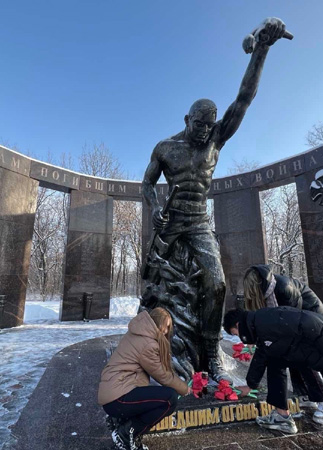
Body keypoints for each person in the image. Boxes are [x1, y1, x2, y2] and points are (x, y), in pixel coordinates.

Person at [141, 18, 289, 382]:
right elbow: (145, 184)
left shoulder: (215, 140)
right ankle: (153, 341)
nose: (204, 131)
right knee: (151, 280)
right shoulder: (165, 148)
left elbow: (244, 99)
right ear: (186, 119)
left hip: (198, 222)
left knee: (217, 283)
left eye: (209, 126)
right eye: (198, 125)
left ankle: (210, 349)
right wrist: (155, 207)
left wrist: (262, 51)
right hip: (171, 221)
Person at [223, 307, 323, 450]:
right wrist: (250, 385)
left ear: (238, 325)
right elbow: (262, 355)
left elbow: (309, 321)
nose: (239, 338)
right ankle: (281, 415)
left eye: (236, 334)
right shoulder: (259, 325)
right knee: (274, 361)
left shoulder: (266, 319)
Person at [243, 265, 323, 424]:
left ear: (259, 286)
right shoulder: (267, 294)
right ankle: (306, 394)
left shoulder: (284, 288)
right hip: (294, 319)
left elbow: (295, 319)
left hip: (310, 316)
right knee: (286, 355)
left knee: (301, 357)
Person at [98, 308, 190, 450]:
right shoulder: (148, 343)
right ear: (157, 324)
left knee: (155, 397)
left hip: (114, 394)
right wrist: (185, 388)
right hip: (118, 397)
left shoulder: (137, 333)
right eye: (165, 327)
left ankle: (121, 421)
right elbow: (163, 376)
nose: (166, 332)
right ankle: (126, 433)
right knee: (169, 399)